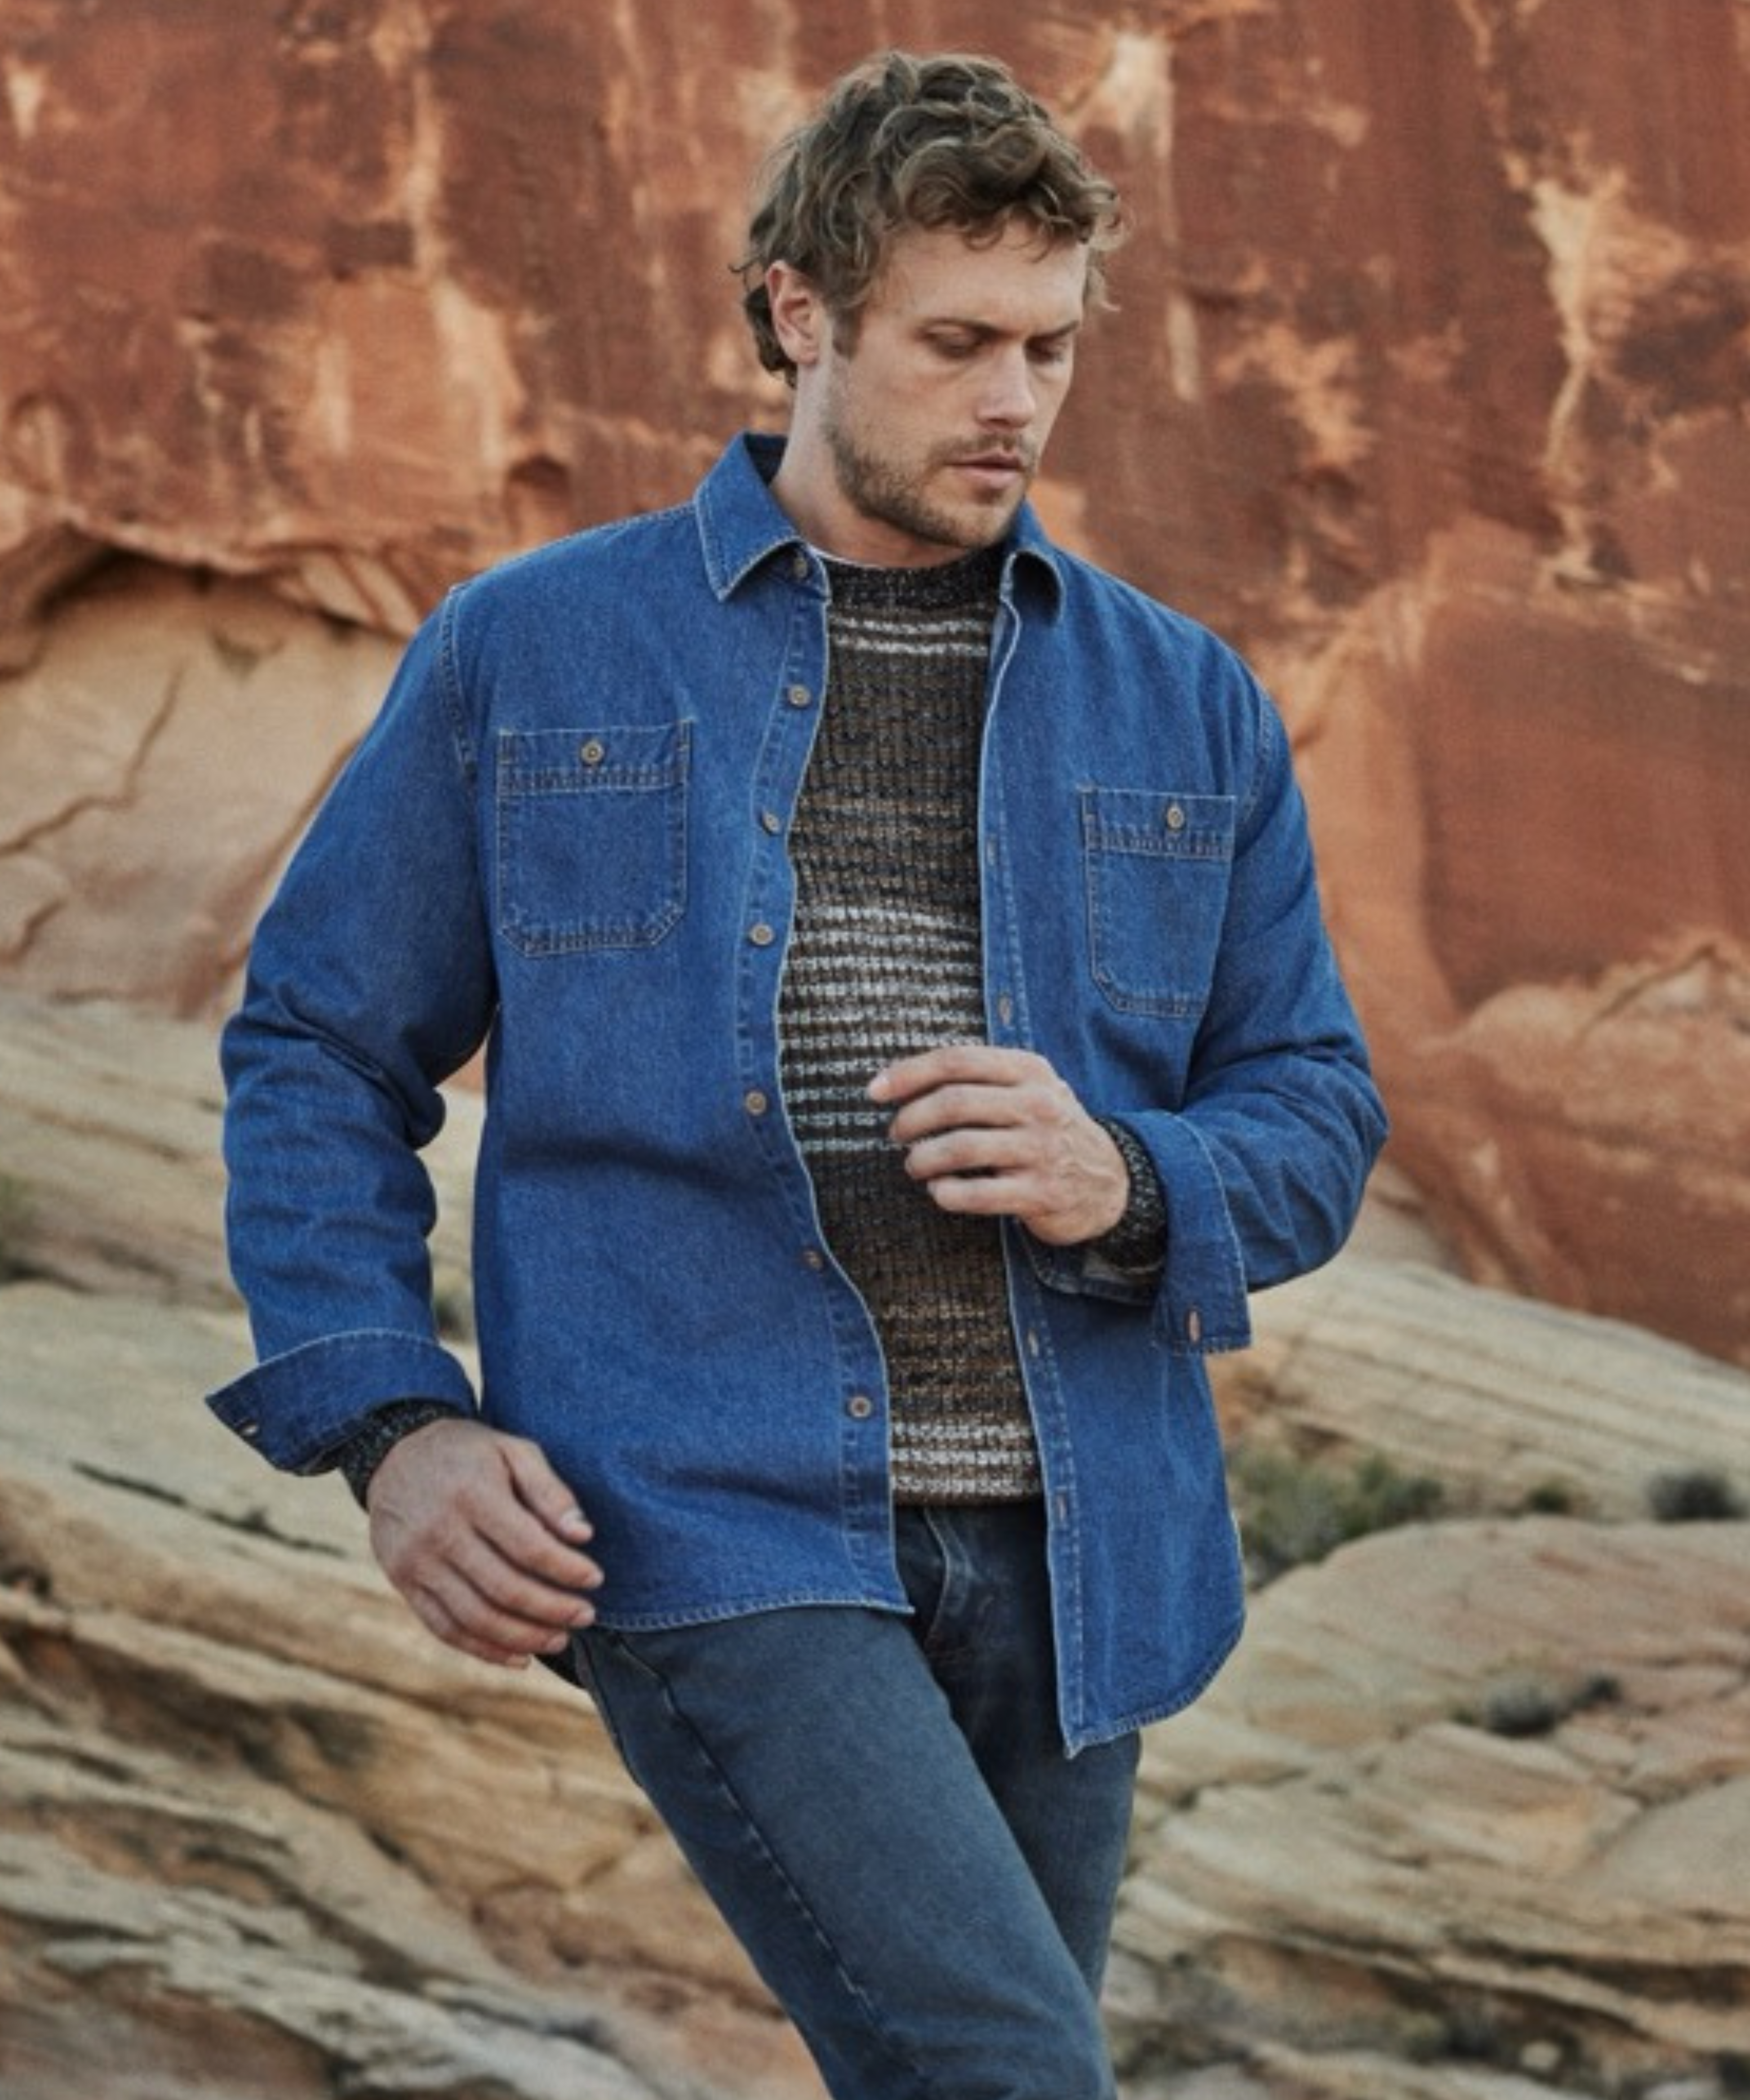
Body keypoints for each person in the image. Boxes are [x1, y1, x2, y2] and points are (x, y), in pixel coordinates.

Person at [211, 48, 1386, 2100]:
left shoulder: (1184, 702)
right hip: (706, 1505)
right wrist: (391, 1423)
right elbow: (318, 1039)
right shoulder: (535, 650)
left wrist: (1125, 1172)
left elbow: (1309, 1105)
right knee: (1010, 2074)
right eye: (954, 343)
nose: (1014, 399)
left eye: (1048, 346)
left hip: (1079, 1545)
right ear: (798, 314)